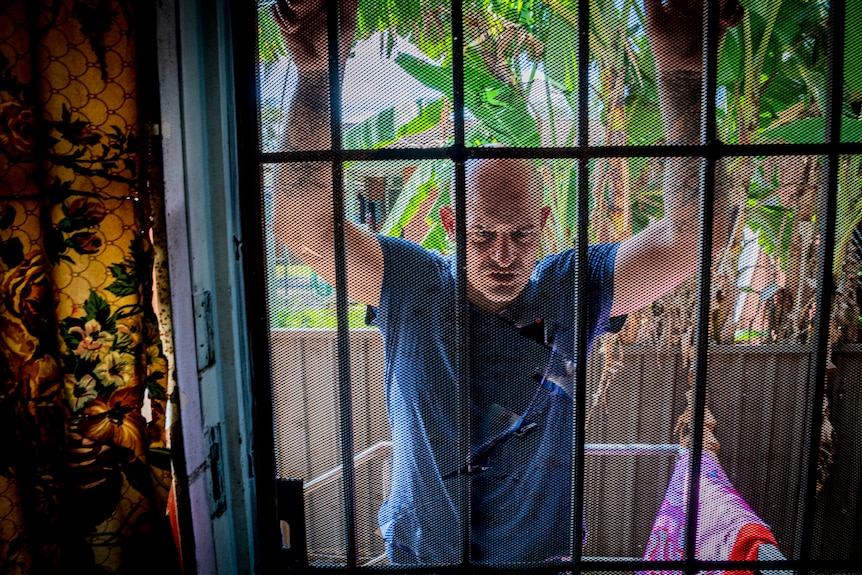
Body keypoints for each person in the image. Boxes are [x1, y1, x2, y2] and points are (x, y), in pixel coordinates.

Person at [270, 0, 742, 564]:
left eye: (523, 232)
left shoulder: (572, 285)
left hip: (540, 559)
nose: (504, 256)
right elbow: (296, 217)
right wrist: (315, 75)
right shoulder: (408, 280)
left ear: (547, 222)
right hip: (423, 557)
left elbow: (697, 236)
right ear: (450, 223)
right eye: (485, 235)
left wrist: (684, 81)